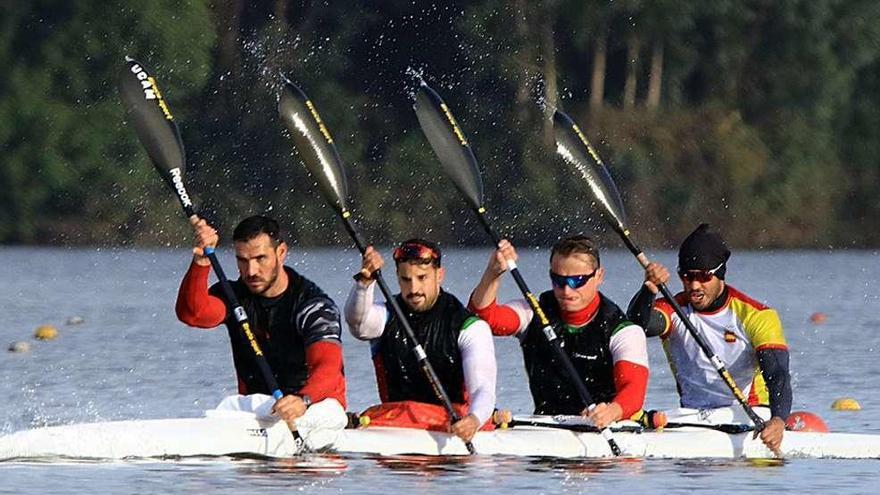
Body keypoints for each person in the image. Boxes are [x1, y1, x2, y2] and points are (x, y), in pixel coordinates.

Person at [175, 215, 347, 449]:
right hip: (258, 410)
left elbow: (328, 368)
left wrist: (302, 400)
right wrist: (201, 262)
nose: (251, 271)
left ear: (281, 252)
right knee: (229, 406)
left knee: (329, 411)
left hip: (315, 409)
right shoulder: (234, 295)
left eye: (260, 259)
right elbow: (192, 314)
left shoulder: (313, 305)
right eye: (242, 261)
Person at [627, 223, 791, 453]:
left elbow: (778, 375)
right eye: (686, 276)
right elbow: (636, 326)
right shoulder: (673, 309)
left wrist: (778, 421)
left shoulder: (757, 316)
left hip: (749, 415)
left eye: (703, 276)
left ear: (720, 273)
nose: (694, 285)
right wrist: (648, 289)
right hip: (692, 417)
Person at [468, 235, 649, 429]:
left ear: (599, 276)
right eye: (558, 280)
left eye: (577, 281)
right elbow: (482, 320)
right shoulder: (534, 313)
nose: (566, 291)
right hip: (546, 429)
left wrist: (612, 411)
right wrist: (493, 274)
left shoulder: (623, 331)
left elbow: (633, 390)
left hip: (603, 429)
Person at [344, 239, 496, 443]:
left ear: (439, 275)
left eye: (422, 278)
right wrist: (364, 283)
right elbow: (358, 324)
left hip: (451, 427)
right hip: (395, 424)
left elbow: (482, 390)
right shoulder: (386, 314)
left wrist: (474, 420)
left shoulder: (469, 327)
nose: (413, 289)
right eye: (405, 280)